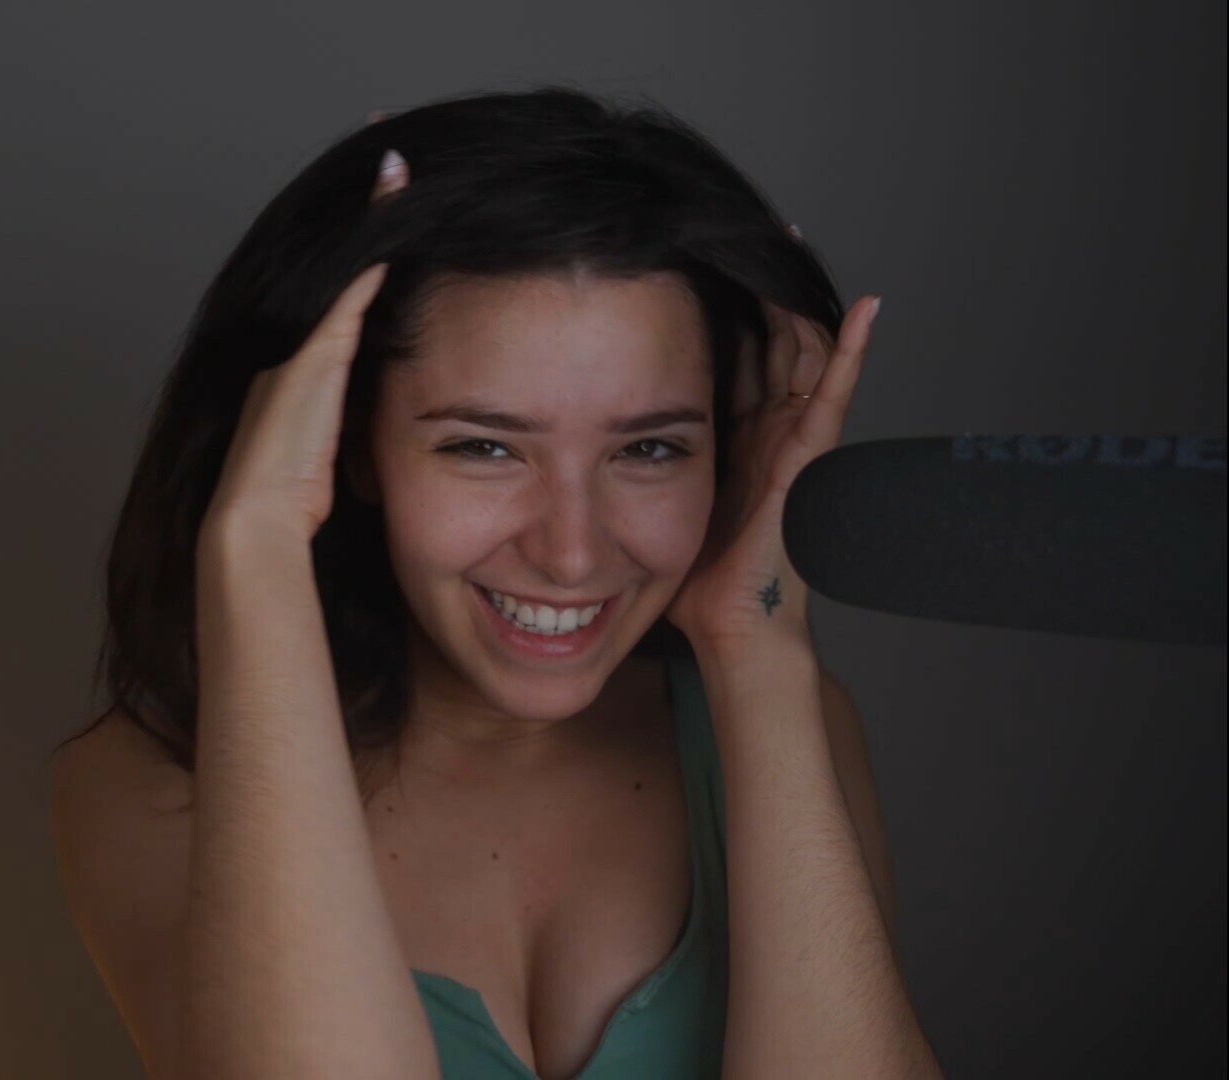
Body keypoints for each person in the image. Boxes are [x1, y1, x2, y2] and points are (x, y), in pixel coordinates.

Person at [50, 86, 942, 1079]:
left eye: (648, 448)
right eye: (483, 447)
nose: (571, 552)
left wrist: (758, 644)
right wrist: (255, 549)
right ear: (347, 446)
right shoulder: (155, 783)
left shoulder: (785, 721)